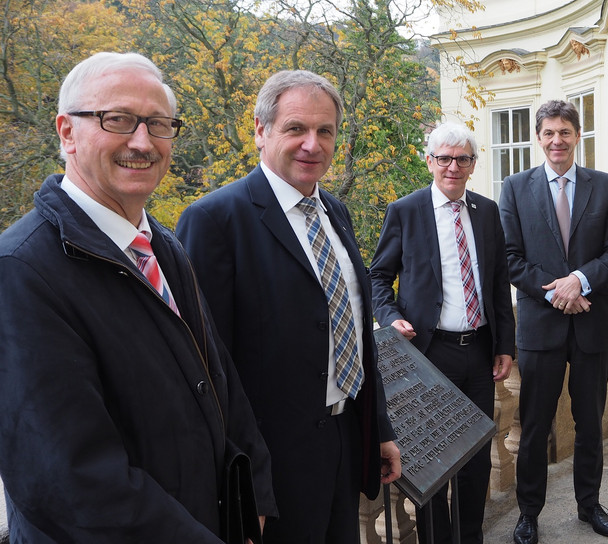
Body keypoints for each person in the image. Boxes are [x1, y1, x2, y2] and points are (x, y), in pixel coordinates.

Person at [0, 51, 276, 542]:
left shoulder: (161, 246)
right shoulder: (21, 272)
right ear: (67, 132)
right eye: (118, 120)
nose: (143, 142)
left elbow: (221, 383)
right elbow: (69, 479)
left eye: (159, 124)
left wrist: (251, 500)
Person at [175, 70, 401, 544]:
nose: (312, 145)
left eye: (325, 131)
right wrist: (242, 484)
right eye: (296, 128)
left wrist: (377, 428)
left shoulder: (334, 212)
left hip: (344, 448)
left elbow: (354, 331)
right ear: (261, 130)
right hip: (270, 466)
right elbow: (206, 369)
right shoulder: (215, 220)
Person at [370, 122, 516, 544]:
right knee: (431, 460)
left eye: (463, 158)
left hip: (480, 352)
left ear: (473, 164)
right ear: (430, 161)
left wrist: (505, 344)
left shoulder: (487, 211)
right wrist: (388, 316)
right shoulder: (406, 210)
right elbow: (378, 276)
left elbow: (496, 283)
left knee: (474, 459)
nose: (453, 166)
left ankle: (470, 537)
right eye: (444, 158)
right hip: (428, 355)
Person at [499, 100, 608, 544]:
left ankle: (589, 505)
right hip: (539, 327)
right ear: (539, 137)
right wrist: (558, 291)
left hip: (592, 325)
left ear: (578, 135)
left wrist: (579, 280)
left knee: (590, 422)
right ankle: (529, 513)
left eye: (565, 132)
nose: (557, 140)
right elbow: (510, 259)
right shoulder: (515, 188)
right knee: (534, 425)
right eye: (549, 133)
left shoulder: (606, 186)